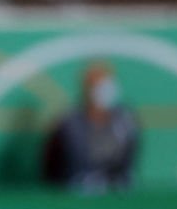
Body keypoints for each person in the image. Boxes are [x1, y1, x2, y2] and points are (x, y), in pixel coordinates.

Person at [42, 62, 138, 192]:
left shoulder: (125, 120)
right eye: (98, 85)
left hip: (117, 191)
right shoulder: (68, 123)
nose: (104, 89)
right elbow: (52, 166)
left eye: (107, 84)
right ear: (87, 89)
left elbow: (129, 159)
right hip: (76, 192)